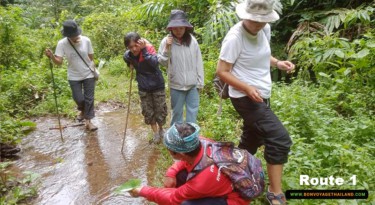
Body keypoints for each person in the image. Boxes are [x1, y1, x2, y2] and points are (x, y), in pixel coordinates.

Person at [216, 0, 295, 204]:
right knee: (279, 138)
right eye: (254, 20)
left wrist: (278, 63)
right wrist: (247, 87)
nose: (258, 24)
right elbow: (222, 72)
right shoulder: (235, 37)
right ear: (245, 16)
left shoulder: (264, 29)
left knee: (252, 140)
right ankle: (275, 192)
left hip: (261, 93)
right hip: (244, 97)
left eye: (262, 20)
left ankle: (232, 172)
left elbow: (263, 55)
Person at [129, 122, 250, 205]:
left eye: (168, 148)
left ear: (179, 154)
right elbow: (187, 161)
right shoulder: (201, 142)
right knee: (179, 175)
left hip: (234, 200)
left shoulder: (201, 181)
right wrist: (171, 172)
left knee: (185, 203)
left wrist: (142, 191)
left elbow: (173, 198)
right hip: (223, 180)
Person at [45, 20, 98, 131]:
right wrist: (52, 57)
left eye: (76, 34)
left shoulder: (86, 40)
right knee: (78, 98)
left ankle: (88, 122)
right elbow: (59, 62)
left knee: (89, 99)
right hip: (73, 76)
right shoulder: (62, 43)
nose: (75, 37)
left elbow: (91, 57)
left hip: (88, 73)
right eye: (72, 36)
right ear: (67, 35)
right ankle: (83, 110)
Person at [158, 10, 204, 126]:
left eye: (181, 28)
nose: (178, 31)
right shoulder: (166, 41)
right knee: (177, 114)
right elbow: (162, 62)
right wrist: (167, 48)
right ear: (171, 28)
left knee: (192, 114)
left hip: (192, 85)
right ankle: (175, 140)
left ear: (185, 28)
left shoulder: (192, 41)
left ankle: (190, 139)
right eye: (175, 28)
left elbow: (198, 62)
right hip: (176, 85)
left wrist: (200, 82)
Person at [123, 32, 167, 143]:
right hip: (143, 87)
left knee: (160, 109)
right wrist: (129, 64)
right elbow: (126, 56)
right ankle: (155, 133)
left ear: (140, 42)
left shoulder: (149, 49)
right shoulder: (129, 55)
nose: (134, 49)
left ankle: (161, 129)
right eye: (130, 47)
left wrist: (143, 50)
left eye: (135, 45)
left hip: (157, 85)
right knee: (148, 111)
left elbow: (154, 63)